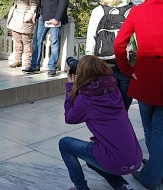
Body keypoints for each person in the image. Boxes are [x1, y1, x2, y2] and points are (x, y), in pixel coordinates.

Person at [59, 55, 141, 190]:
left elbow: (69, 118)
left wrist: (70, 88)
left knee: (65, 144)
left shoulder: (85, 100)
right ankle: (121, 185)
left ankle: (81, 187)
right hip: (134, 159)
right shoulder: (115, 91)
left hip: (117, 161)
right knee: (92, 156)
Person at [114, 0, 163, 189]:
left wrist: (127, 69)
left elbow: (119, 45)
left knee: (149, 125)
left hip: (143, 76)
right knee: (160, 128)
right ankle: (156, 171)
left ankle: (152, 174)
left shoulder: (137, 11)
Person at [85, 0, 136, 110]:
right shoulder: (134, 11)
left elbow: (91, 40)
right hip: (126, 67)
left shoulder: (98, 11)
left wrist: (89, 66)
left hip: (102, 67)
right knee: (123, 109)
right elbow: (137, 43)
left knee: (104, 108)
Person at [23, 0, 71, 76]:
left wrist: (57, 18)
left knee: (54, 43)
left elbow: (64, 0)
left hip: (54, 17)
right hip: (42, 16)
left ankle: (52, 67)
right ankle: (34, 65)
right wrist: (36, 12)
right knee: (37, 41)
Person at [7, 0, 38, 69]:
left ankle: (28, 63)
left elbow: (34, 5)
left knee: (26, 42)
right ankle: (17, 60)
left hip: (24, 19)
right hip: (15, 18)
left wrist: (27, 18)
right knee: (17, 41)